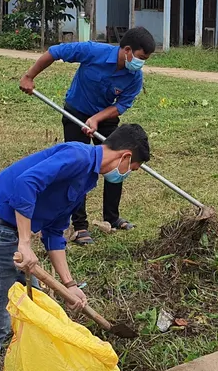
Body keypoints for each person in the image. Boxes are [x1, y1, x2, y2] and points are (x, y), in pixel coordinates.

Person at [0, 125, 151, 371]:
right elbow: (26, 183)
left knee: (21, 320)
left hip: (6, 237)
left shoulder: (86, 177)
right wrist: (23, 242)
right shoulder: (77, 155)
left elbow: (55, 232)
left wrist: (70, 283)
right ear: (125, 156)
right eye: (133, 169)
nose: (126, 174)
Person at [19, 27, 156, 244]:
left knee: (119, 162)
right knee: (79, 168)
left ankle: (112, 217)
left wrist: (97, 119)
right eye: (140, 58)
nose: (141, 63)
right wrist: (29, 76)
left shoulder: (134, 77)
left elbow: (121, 106)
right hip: (76, 112)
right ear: (127, 50)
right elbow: (54, 52)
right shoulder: (93, 51)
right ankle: (80, 226)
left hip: (105, 117)